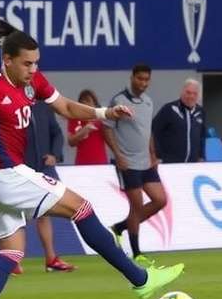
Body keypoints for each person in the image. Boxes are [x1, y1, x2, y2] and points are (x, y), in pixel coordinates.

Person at [0, 19, 184, 299]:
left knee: (10, 253)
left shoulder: (32, 81)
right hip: (4, 174)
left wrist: (103, 111)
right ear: (7, 59)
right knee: (81, 208)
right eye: (26, 63)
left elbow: (65, 107)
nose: (33, 69)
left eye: (36, 62)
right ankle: (139, 279)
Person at [103, 64, 165, 266]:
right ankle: (136, 252)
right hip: (127, 162)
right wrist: (118, 154)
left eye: (146, 80)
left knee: (160, 200)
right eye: (140, 79)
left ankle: (119, 227)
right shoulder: (119, 101)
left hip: (146, 162)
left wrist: (153, 154)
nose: (143, 83)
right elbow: (107, 128)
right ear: (132, 78)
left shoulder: (148, 102)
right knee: (136, 206)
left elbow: (147, 131)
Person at [25, 100, 77, 272]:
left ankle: (51, 259)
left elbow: (57, 133)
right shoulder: (11, 105)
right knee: (17, 215)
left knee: (44, 212)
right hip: (21, 168)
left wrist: (55, 154)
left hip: (44, 167)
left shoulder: (43, 106)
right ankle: (12, 261)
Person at [152, 79, 206, 163]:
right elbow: (153, 132)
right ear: (182, 93)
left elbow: (202, 137)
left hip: (192, 164)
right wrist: (157, 156)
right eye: (188, 92)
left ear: (198, 96)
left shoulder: (200, 112)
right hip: (169, 163)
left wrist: (201, 156)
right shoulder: (169, 109)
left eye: (194, 93)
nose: (191, 96)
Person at [67, 89, 109, 165]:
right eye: (82, 102)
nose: (85, 104)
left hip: (100, 163)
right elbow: (71, 142)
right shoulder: (74, 118)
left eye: (88, 101)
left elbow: (110, 138)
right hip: (81, 163)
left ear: (95, 105)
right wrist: (83, 131)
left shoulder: (101, 119)